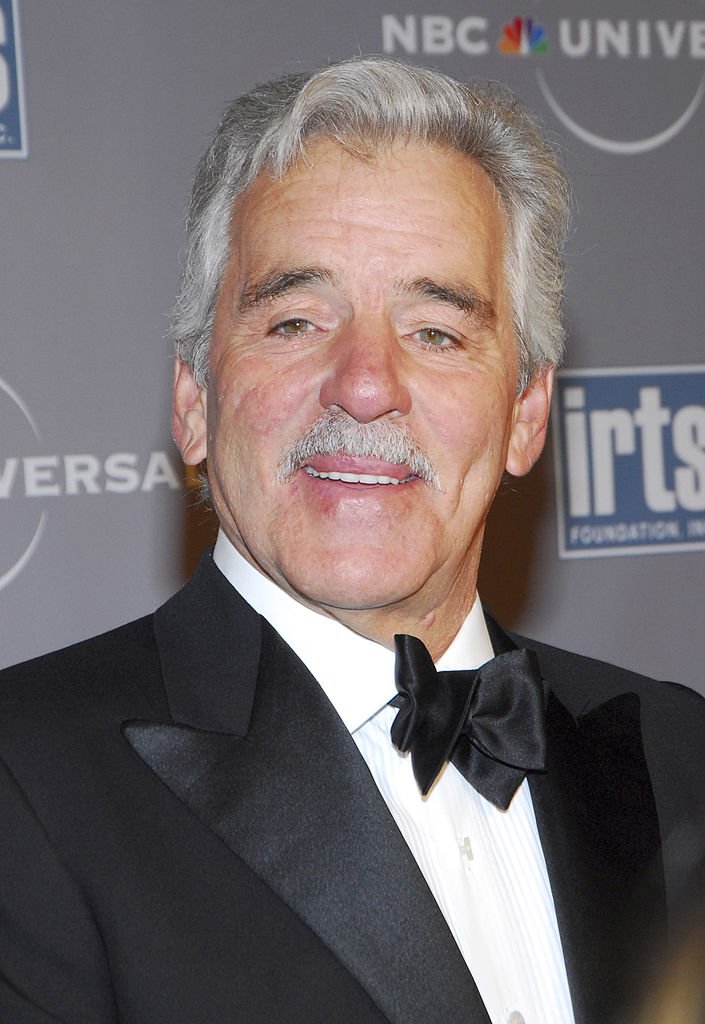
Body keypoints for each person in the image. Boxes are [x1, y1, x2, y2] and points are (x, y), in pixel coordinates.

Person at [1, 56, 704, 1024]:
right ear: (196, 400)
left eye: (436, 330)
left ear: (526, 414)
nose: (366, 383)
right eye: (295, 319)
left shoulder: (680, 754)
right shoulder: (21, 784)